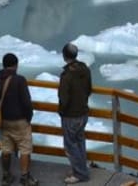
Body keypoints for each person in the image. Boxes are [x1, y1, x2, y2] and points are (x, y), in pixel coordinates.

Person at [0, 52, 39, 186]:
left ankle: (6, 176)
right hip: (20, 121)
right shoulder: (20, 80)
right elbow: (26, 103)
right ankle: (25, 177)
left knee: (5, 149)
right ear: (16, 65)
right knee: (25, 149)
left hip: (3, 121)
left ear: (3, 65)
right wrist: (28, 118)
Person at [57, 42, 93, 184]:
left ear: (65, 56)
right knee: (79, 142)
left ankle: (80, 174)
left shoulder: (67, 76)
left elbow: (63, 97)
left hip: (70, 115)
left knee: (71, 145)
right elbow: (89, 89)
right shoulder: (85, 69)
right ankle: (80, 169)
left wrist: (62, 110)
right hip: (83, 112)